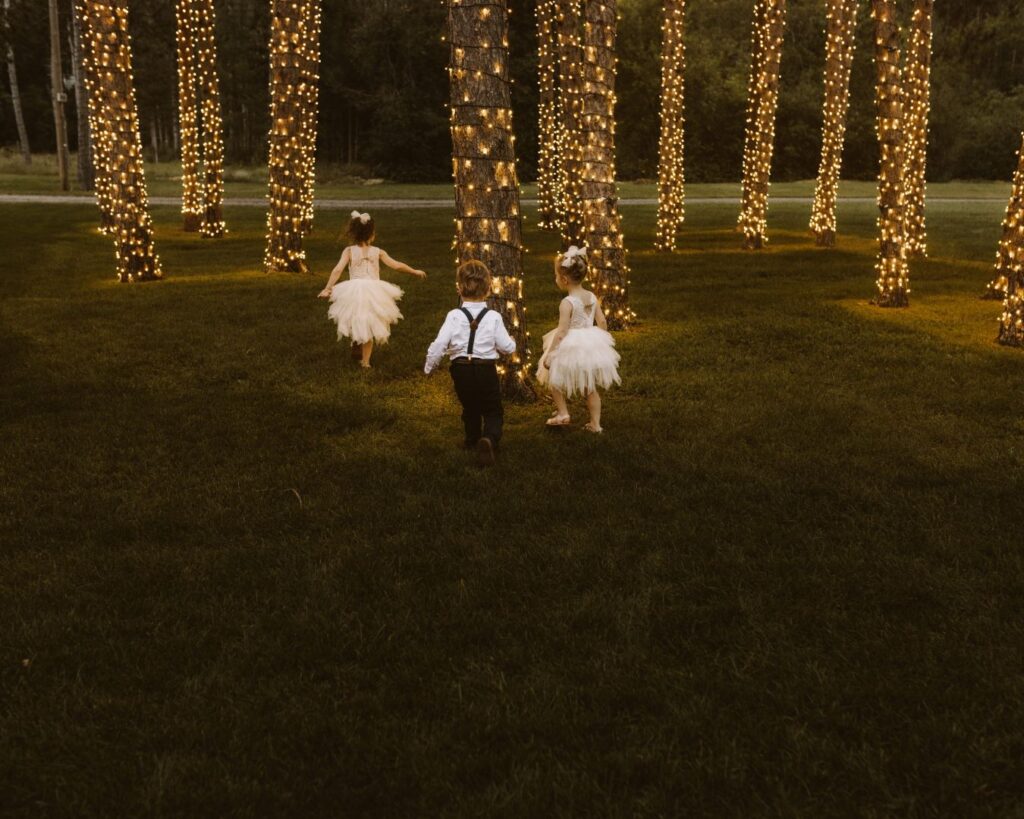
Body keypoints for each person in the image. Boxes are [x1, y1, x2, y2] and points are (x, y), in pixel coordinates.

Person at [424, 260, 516, 467]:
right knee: (493, 409)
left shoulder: (454, 315)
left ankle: (471, 440)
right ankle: (490, 439)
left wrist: (429, 366)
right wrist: (513, 343)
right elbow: (506, 347)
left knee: (470, 407)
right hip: (485, 369)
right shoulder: (493, 316)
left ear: (458, 287)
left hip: (460, 369)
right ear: (489, 288)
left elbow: (440, 343)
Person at [318, 210, 426, 368]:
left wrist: (328, 288)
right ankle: (366, 362)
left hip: (354, 289)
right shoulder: (378, 252)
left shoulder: (349, 251)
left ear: (354, 233)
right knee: (370, 322)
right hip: (374, 290)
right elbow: (396, 265)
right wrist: (414, 271)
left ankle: (356, 341)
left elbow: (337, 270)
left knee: (355, 317)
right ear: (371, 234)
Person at [537, 246, 621, 433]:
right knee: (589, 386)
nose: (556, 279)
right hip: (590, 341)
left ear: (565, 280)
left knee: (554, 377)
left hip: (571, 342)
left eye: (557, 276)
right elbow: (602, 321)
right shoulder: (591, 296)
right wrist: (600, 339)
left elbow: (562, 331)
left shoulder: (567, 303)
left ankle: (563, 412)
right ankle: (595, 424)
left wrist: (551, 353)